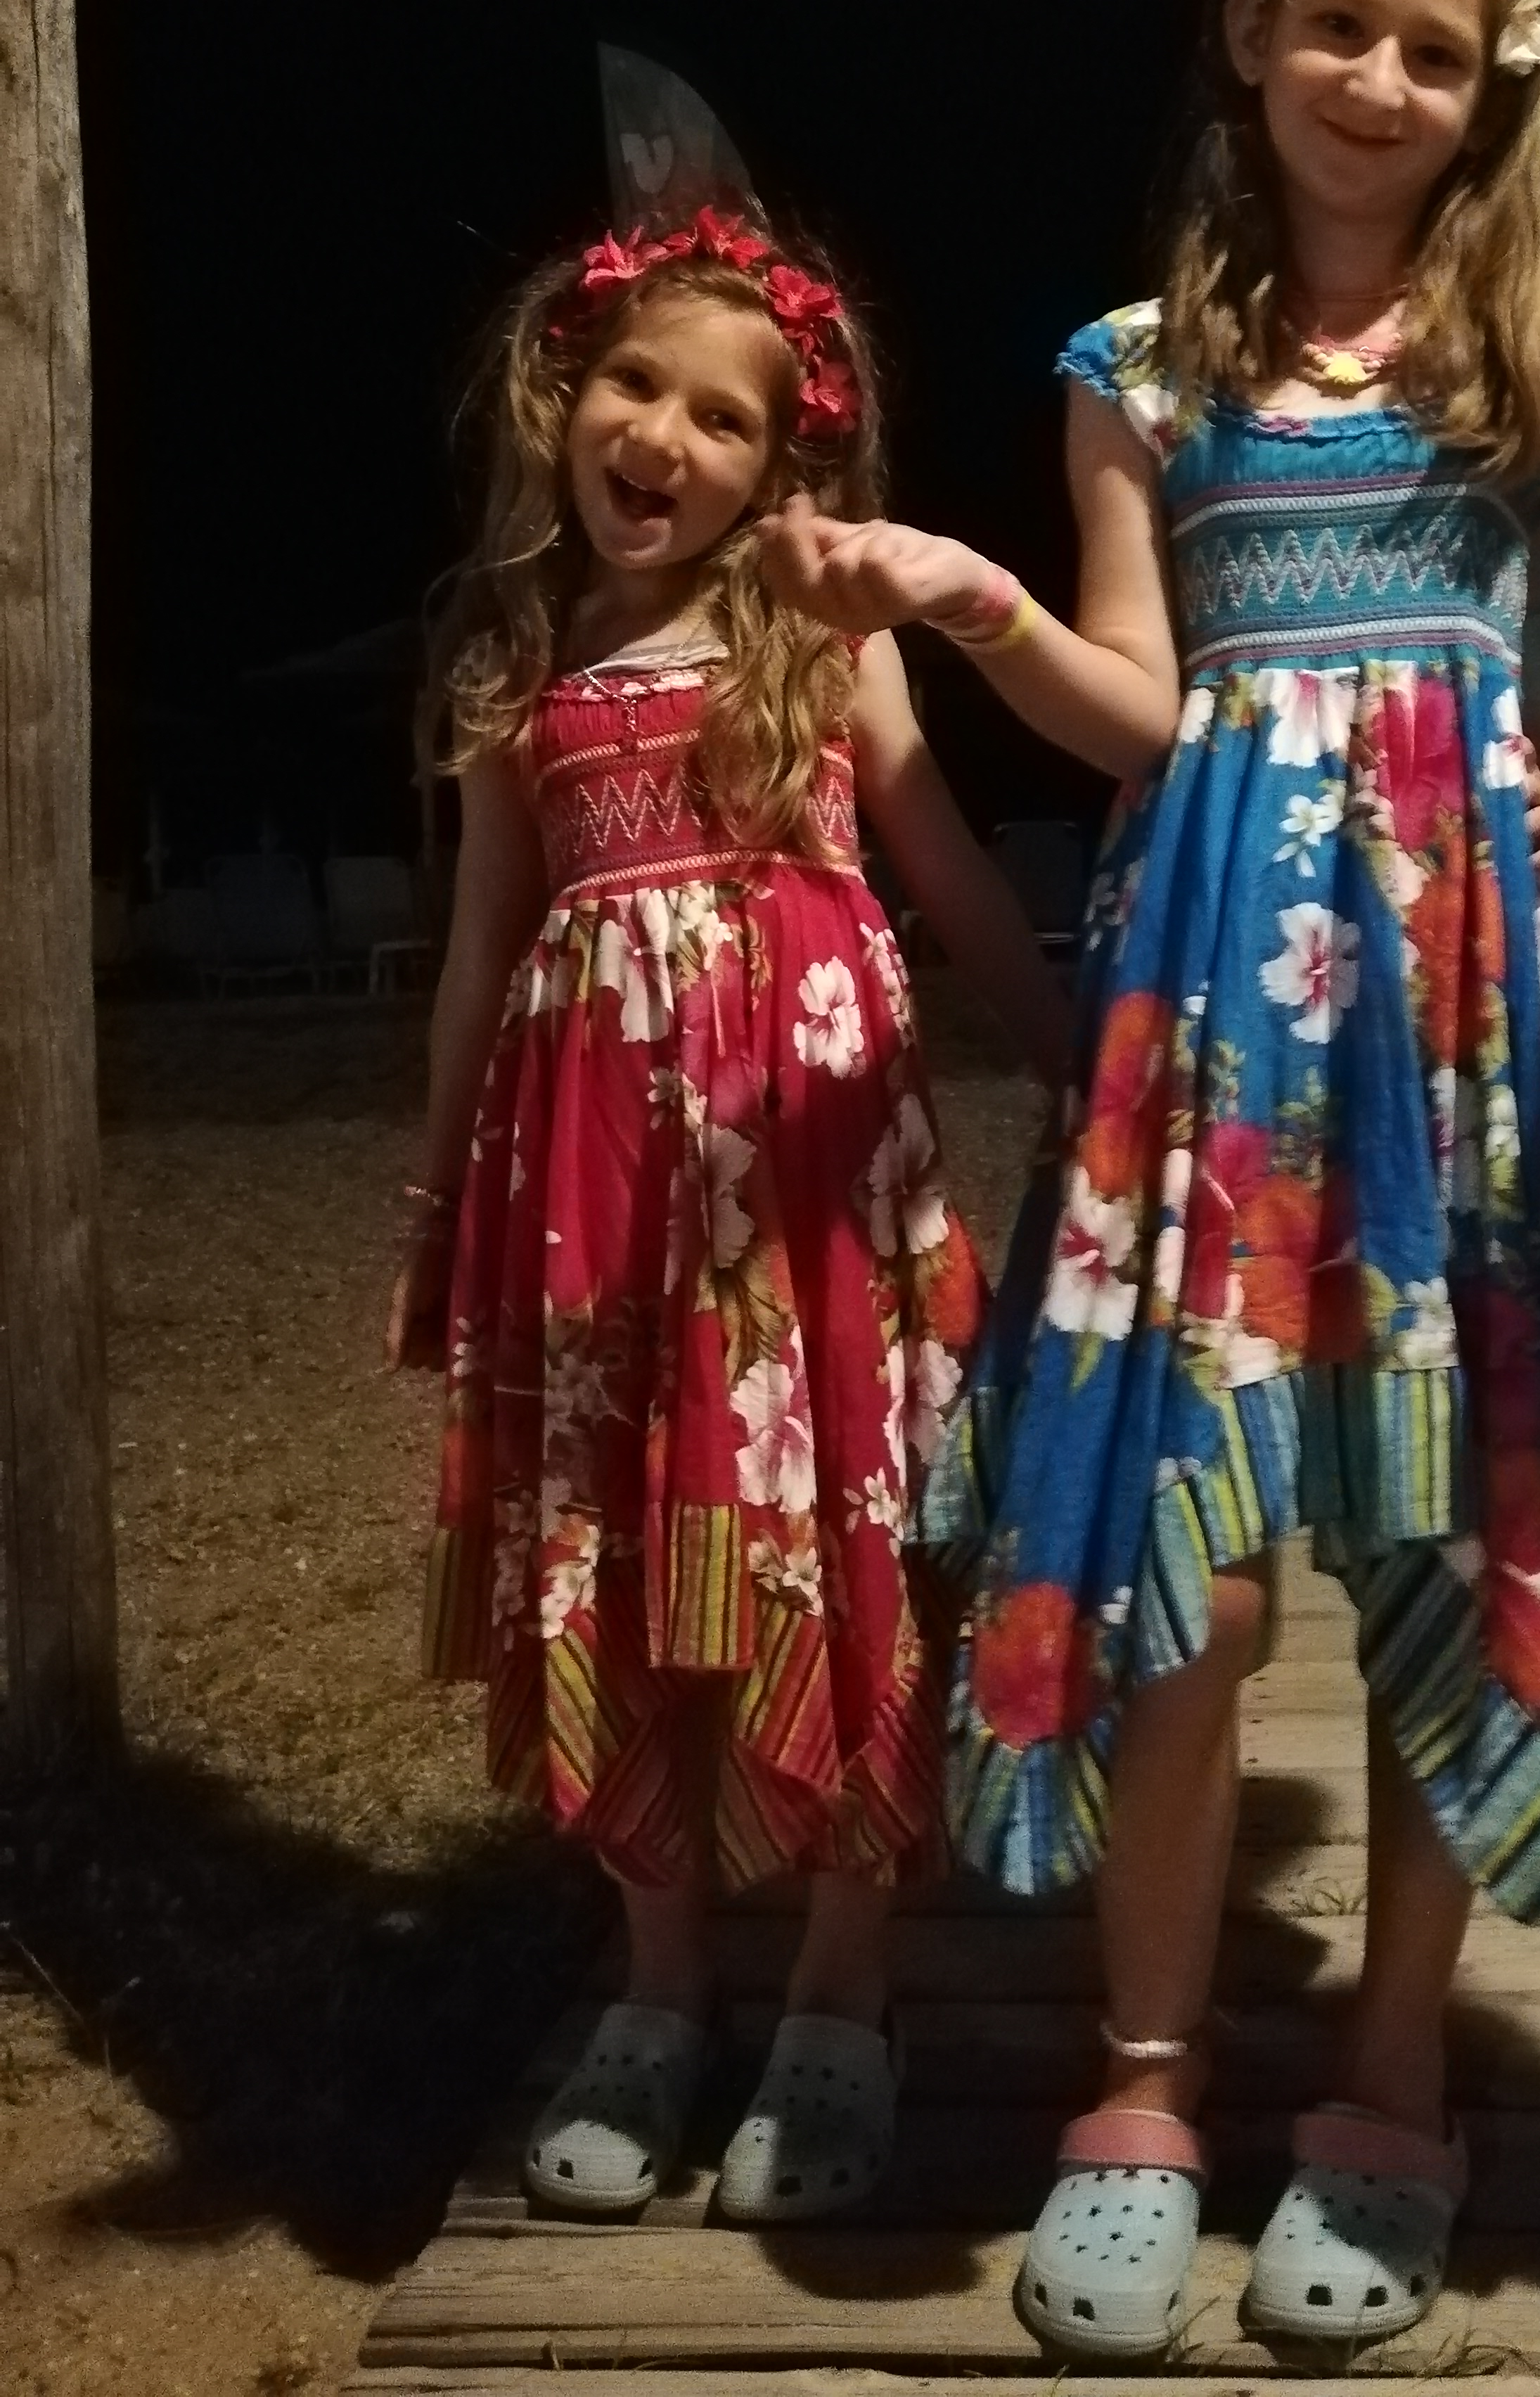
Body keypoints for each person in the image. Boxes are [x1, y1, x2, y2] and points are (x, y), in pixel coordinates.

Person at [759, 0, 1540, 2354]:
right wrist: (972, 603)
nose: (1380, 80)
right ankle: (1149, 2078)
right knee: (1185, 1553)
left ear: (1494, 86)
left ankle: (1395, 2078)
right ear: (1252, 37)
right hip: (1206, 1007)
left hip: (1450, 1016)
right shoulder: (1136, 369)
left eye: (1436, 49)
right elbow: (1145, 707)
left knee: (1442, 1504)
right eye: (1340, 28)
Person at [386, 203, 1065, 2227]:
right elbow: (478, 948)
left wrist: (1080, 1055)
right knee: (606, 1550)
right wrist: (439, 1191)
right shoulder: (512, 661)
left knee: (837, 1553)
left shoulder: (821, 639)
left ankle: (845, 1994)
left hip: (811, 1197)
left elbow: (940, 864)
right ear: (562, 394)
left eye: (722, 416)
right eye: (633, 386)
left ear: (786, 465)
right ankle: (661, 1984)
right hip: (592, 1200)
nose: (663, 437)